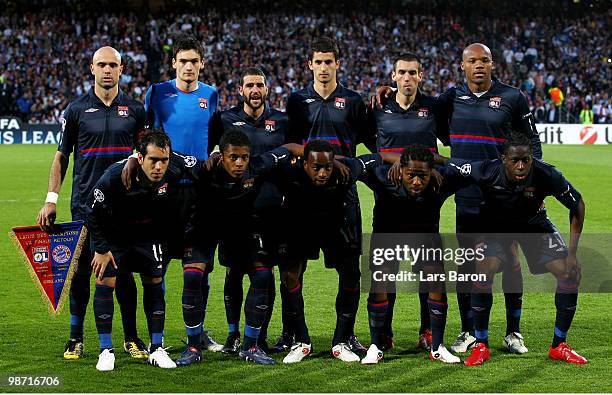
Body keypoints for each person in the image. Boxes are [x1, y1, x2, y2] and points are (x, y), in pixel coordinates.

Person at [36, 46, 148, 360]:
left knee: (124, 272)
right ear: (92, 68)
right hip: (85, 204)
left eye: (113, 65)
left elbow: (145, 155)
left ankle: (132, 337)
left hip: (125, 206)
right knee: (82, 271)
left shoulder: (137, 110)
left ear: (122, 69)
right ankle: (75, 338)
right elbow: (61, 156)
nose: (108, 70)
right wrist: (51, 199)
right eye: (102, 65)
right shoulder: (75, 110)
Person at [441, 133, 587, 366]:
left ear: (531, 159)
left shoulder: (546, 173)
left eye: (526, 160)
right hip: (495, 227)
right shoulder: (486, 170)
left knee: (569, 273)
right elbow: (449, 164)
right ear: (503, 159)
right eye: (515, 160)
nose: (521, 166)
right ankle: (481, 344)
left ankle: (559, 345)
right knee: (483, 270)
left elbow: (577, 204)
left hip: (534, 224)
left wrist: (572, 253)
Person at [282, 36, 374, 356]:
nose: (323, 68)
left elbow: (372, 139)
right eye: (318, 62)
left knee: (350, 270)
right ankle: (297, 336)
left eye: (328, 62)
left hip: (342, 196)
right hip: (302, 199)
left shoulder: (353, 100)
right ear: (310, 65)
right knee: (293, 268)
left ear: (338, 64)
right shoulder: (296, 101)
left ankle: (343, 337)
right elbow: (288, 144)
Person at [180, 129, 303, 365]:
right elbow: (173, 158)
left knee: (263, 274)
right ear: (222, 156)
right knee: (192, 276)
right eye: (233, 157)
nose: (239, 163)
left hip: (241, 229)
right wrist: (133, 159)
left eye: (244, 157)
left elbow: (287, 150)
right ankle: (193, 347)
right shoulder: (205, 168)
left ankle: (250, 346)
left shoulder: (257, 166)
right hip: (205, 226)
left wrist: (327, 156)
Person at [137, 35, 222, 359]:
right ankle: (155, 339)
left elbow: (212, 137)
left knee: (200, 269)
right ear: (174, 63)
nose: (188, 66)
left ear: (201, 64)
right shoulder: (157, 93)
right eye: (183, 60)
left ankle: (197, 333)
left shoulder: (210, 95)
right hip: (164, 191)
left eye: (194, 61)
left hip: (199, 193)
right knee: (155, 267)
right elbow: (144, 136)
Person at [273, 140, 397, 364]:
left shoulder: (347, 170)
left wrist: (421, 163)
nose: (322, 173)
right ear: (304, 164)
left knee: (351, 277)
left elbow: (381, 157)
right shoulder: (288, 173)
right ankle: (302, 341)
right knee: (289, 276)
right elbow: (273, 156)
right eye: (316, 167)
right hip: (299, 227)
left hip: (336, 226)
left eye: (327, 167)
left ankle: (340, 341)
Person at [366, 52, 450, 352]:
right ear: (393, 76)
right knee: (385, 271)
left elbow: (452, 138)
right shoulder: (377, 107)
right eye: (402, 72)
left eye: (412, 73)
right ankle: (384, 334)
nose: (407, 78)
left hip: (424, 203)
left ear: (421, 75)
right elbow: (369, 148)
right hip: (388, 202)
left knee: (427, 273)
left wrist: (439, 168)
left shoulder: (434, 107)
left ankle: (427, 331)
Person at [86, 130, 190, 371]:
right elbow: (91, 210)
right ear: (140, 157)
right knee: (105, 282)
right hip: (113, 237)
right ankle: (105, 351)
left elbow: (200, 165)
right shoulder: (113, 177)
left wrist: (215, 155)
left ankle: (156, 349)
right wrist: (101, 249)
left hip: (149, 236)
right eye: (153, 160)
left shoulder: (174, 168)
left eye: (164, 160)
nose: (159, 167)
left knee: (154, 283)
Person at [208, 67, 289, 354]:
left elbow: (291, 153)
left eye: (260, 85)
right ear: (240, 90)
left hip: (270, 213)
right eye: (249, 85)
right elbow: (211, 155)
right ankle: (232, 334)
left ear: (268, 89)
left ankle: (260, 335)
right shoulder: (225, 119)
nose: (255, 90)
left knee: (265, 274)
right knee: (234, 272)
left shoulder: (281, 121)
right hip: (233, 212)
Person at [358, 144, 463, 365]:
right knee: (379, 283)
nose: (416, 182)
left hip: (425, 237)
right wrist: (390, 158)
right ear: (400, 170)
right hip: (387, 236)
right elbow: (355, 162)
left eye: (422, 176)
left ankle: (438, 347)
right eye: (411, 175)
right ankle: (376, 345)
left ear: (431, 172)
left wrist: (438, 162)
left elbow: (470, 168)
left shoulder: (441, 180)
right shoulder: (382, 176)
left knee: (436, 280)